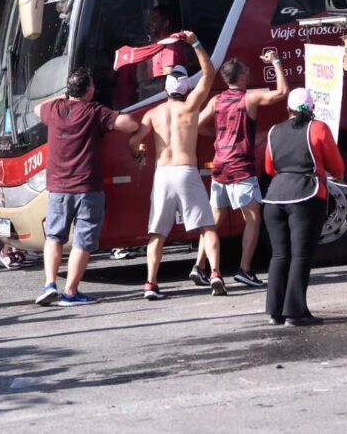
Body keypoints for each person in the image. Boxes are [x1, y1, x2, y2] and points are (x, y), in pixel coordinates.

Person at [128, 31, 223, 299]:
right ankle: (215, 273)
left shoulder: (153, 113)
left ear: (166, 89)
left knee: (157, 232)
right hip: (186, 170)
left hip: (163, 174)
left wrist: (139, 153)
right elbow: (210, 72)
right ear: (185, 89)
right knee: (207, 226)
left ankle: (150, 283)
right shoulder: (191, 107)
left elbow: (134, 141)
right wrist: (194, 42)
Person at [33, 68, 139, 307]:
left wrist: (63, 96)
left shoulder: (54, 109)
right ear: (89, 89)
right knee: (82, 240)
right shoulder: (95, 112)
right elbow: (130, 124)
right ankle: (71, 292)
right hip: (87, 187)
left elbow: (35, 108)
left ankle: (49, 284)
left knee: (54, 236)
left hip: (58, 188)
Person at [192, 52, 287, 288]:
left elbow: (194, 125)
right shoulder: (249, 99)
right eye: (246, 68)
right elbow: (282, 93)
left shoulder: (216, 101)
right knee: (253, 219)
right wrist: (276, 62)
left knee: (213, 220)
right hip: (242, 167)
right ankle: (244, 269)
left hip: (220, 165)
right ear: (242, 76)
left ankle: (199, 266)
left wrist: (216, 135)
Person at [263, 88, 344, 327]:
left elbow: (270, 168)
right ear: (312, 109)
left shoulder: (273, 131)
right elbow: (337, 167)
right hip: (305, 196)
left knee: (279, 255)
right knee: (301, 255)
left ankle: (275, 312)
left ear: (286, 108)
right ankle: (295, 312)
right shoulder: (318, 128)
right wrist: (330, 173)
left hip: (275, 197)